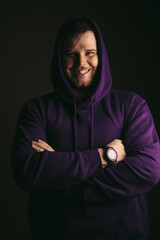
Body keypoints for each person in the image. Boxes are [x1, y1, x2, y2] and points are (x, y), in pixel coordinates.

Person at [11, 15, 160, 240]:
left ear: (101, 57)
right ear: (60, 60)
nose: (81, 63)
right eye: (72, 54)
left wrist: (60, 178)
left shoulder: (131, 106)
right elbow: (26, 171)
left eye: (89, 53)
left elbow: (148, 170)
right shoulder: (36, 111)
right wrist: (105, 156)